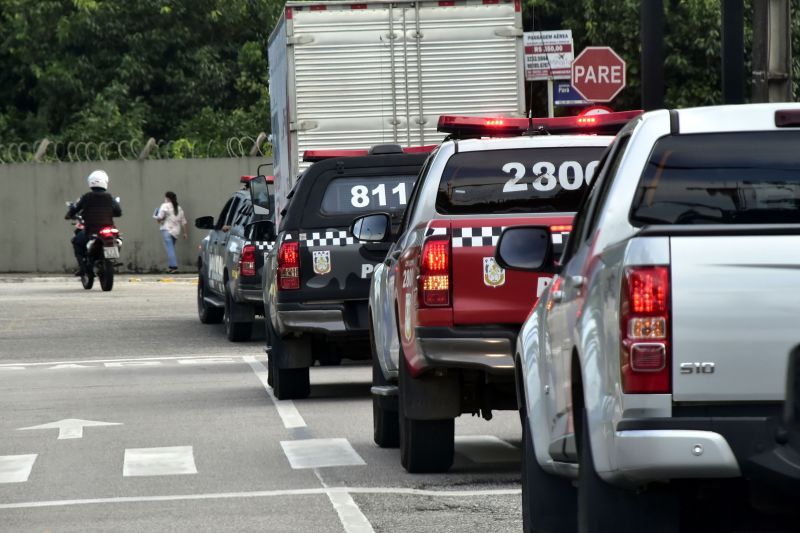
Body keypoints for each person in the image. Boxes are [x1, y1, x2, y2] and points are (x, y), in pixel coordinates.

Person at [65, 170, 122, 276]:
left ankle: (82, 268)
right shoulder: (110, 197)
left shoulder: (86, 197)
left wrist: (69, 215)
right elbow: (118, 212)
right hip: (108, 229)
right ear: (105, 182)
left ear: (90, 182)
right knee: (118, 238)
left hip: (92, 230)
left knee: (76, 242)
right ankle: (113, 259)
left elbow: (75, 209)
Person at [154, 191, 188, 272]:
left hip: (166, 229)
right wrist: (185, 233)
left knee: (169, 249)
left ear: (167, 198)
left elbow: (160, 217)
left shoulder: (164, 205)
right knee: (170, 248)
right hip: (176, 232)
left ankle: (174, 267)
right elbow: (184, 221)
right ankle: (170, 267)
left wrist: (156, 216)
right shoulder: (179, 208)